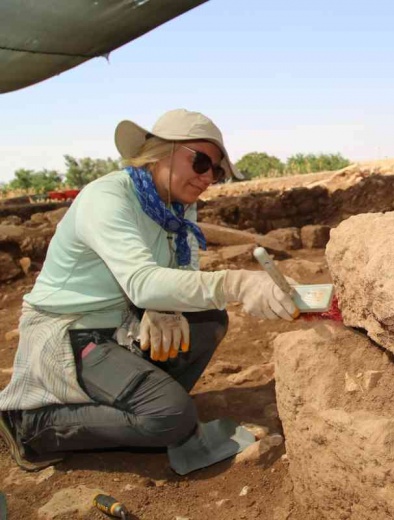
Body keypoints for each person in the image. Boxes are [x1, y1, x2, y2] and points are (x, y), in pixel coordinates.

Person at [0, 109, 298, 471]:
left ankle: (135, 403)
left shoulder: (178, 207)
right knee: (171, 416)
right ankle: (31, 427)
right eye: (200, 162)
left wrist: (164, 307)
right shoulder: (108, 198)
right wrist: (236, 282)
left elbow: (181, 270)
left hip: (123, 319)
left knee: (208, 321)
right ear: (159, 152)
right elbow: (141, 281)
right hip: (72, 330)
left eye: (216, 171)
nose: (207, 178)